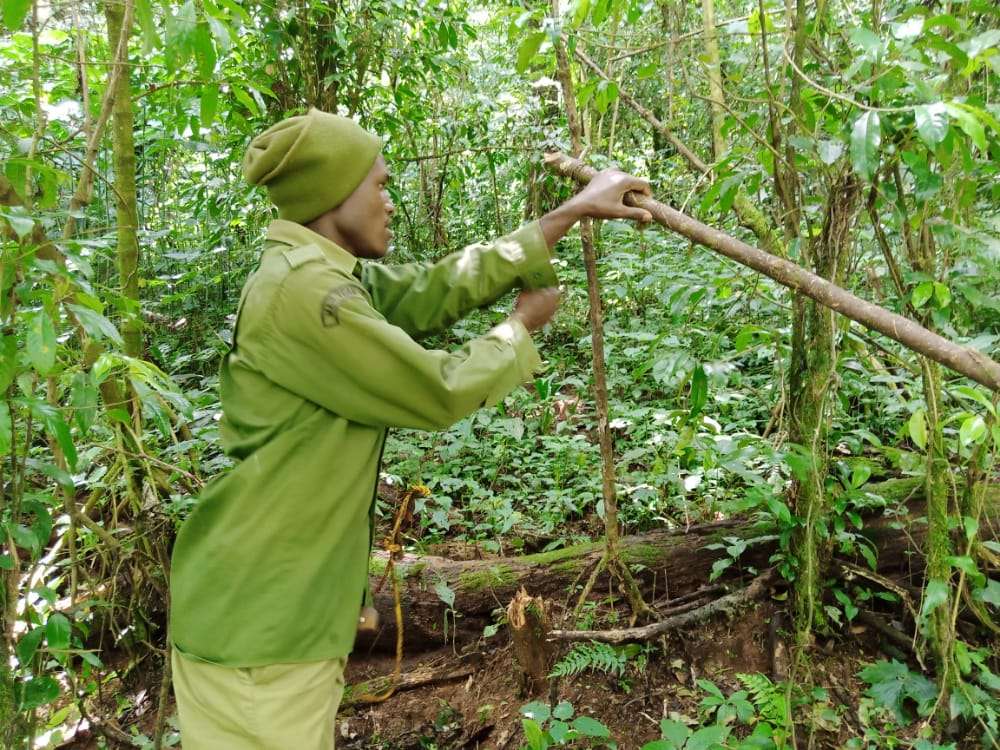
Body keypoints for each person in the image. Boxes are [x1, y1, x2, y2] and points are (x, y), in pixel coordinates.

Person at [168, 108, 651, 749]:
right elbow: (436, 388)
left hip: (271, 617)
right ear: (335, 194)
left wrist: (568, 214)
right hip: (261, 629)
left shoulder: (318, 272)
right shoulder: (306, 292)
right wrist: (519, 329)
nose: (389, 202)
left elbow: (430, 289)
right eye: (379, 185)